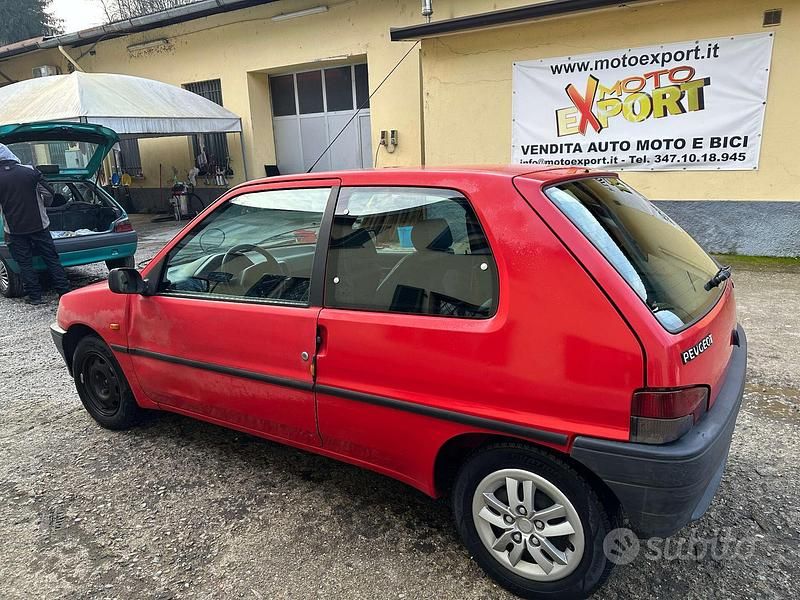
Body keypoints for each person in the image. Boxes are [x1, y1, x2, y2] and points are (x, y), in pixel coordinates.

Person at [0, 144, 70, 305]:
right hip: (40, 225)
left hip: (14, 229)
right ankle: (63, 292)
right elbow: (49, 192)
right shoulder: (29, 171)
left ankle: (35, 297)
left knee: (25, 263)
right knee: (51, 259)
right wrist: (43, 206)